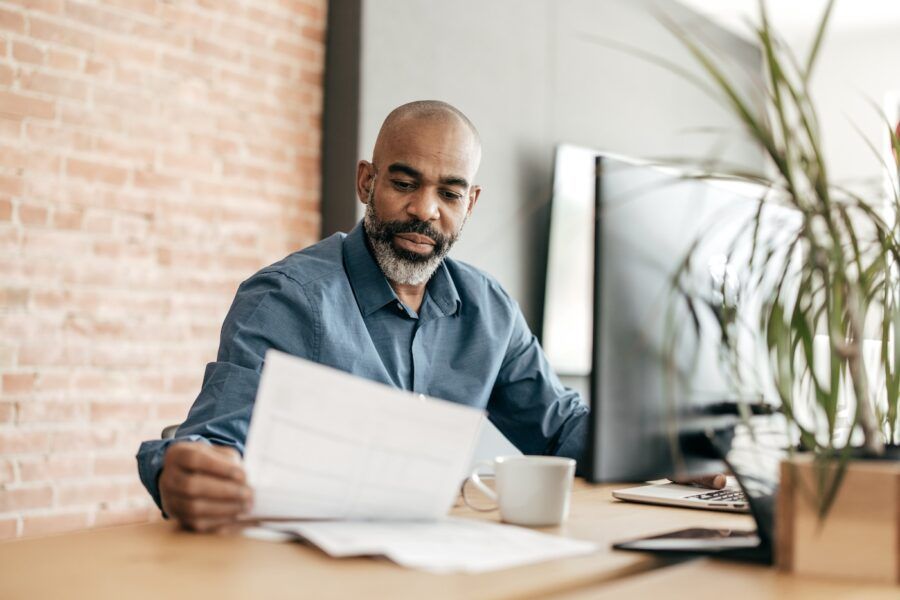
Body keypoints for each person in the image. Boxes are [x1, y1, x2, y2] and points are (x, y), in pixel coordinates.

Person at [136, 100, 720, 532]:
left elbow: (562, 428)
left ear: (471, 202)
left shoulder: (488, 308)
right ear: (367, 180)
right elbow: (211, 440)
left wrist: (671, 450)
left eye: (449, 192)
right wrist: (179, 473)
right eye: (404, 182)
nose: (424, 210)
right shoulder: (288, 298)